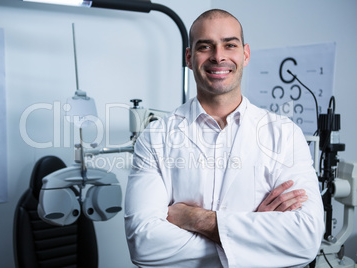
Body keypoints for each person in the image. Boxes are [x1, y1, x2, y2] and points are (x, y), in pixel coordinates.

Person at [124, 9, 324, 268]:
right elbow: (144, 245)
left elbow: (305, 239)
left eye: (229, 45)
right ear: (189, 57)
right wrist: (255, 231)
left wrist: (196, 219)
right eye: (205, 46)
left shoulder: (284, 134)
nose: (218, 57)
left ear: (245, 54)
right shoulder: (155, 137)